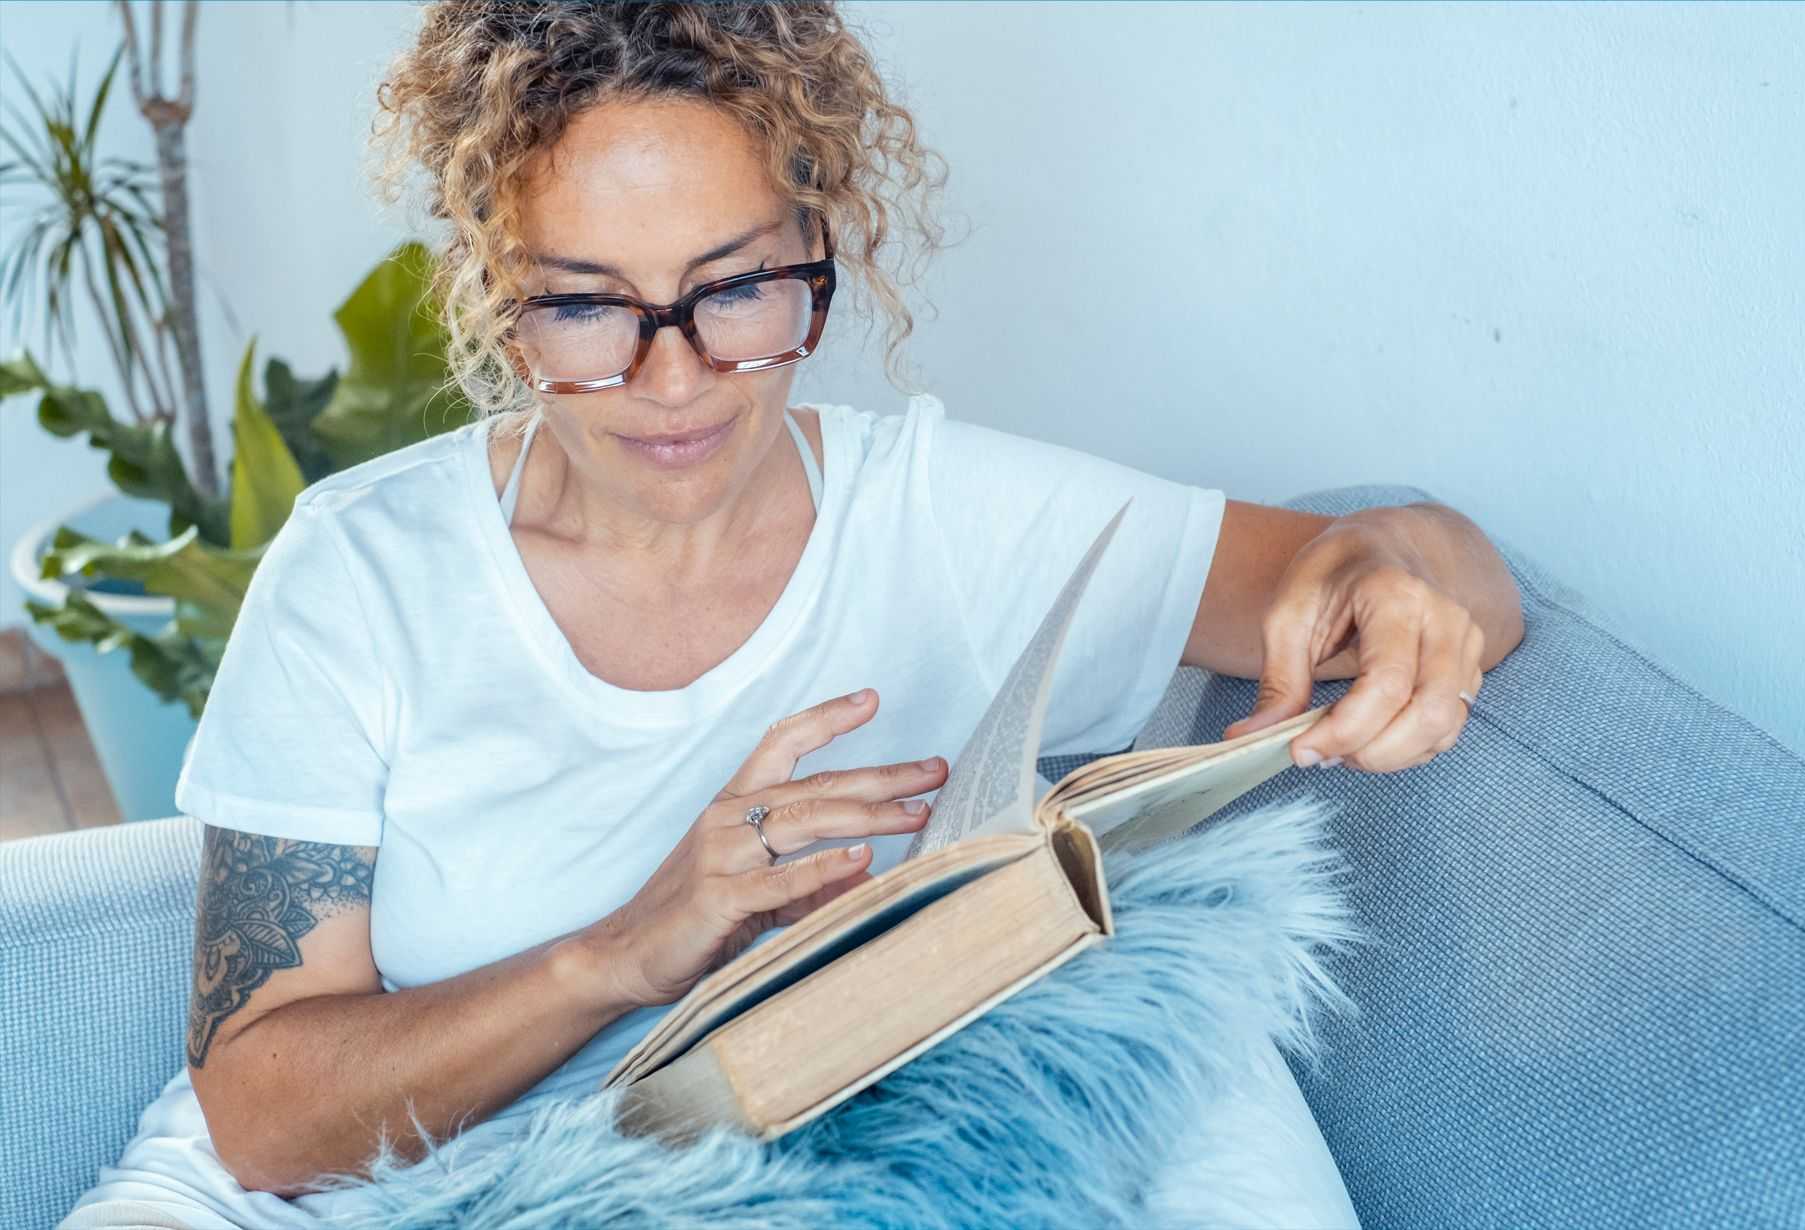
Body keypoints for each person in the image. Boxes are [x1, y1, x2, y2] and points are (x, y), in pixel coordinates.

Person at [60, 3, 1523, 1227]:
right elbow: (257, 1115)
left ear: (818, 247)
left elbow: (1409, 560)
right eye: (587, 306)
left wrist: (1407, 586)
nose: (677, 377)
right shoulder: (363, 573)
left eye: (738, 287)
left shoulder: (939, 517)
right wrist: (633, 947)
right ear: (497, 298)